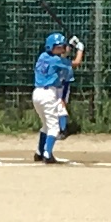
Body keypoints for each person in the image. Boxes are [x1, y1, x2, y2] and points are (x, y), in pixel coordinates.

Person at [33, 30, 76, 162]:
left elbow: (63, 54)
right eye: (58, 47)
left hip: (37, 93)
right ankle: (47, 154)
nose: (61, 48)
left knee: (46, 126)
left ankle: (39, 152)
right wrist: (80, 49)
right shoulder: (56, 60)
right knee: (54, 127)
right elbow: (75, 63)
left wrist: (70, 45)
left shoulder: (43, 56)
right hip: (48, 94)